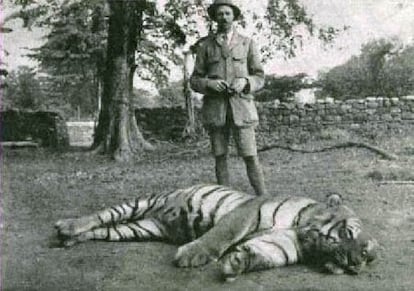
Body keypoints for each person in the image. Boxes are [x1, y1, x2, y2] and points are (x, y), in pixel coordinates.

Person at [190, 0, 267, 196]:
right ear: (215, 17)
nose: (223, 17)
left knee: (250, 155)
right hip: (216, 110)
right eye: (220, 14)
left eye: (227, 13)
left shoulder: (247, 43)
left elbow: (260, 77)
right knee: (220, 155)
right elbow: (194, 80)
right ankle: (225, 199)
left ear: (234, 17)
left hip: (242, 109)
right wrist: (209, 84)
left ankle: (263, 197)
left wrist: (245, 82)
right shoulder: (205, 46)